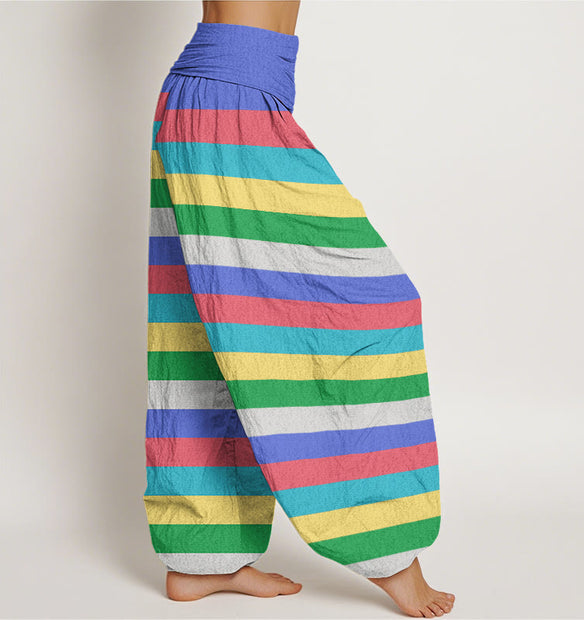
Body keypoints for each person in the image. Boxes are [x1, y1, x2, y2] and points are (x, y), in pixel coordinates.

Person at [143, 1, 456, 617]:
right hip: (228, 100)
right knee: (371, 307)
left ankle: (202, 557)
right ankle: (387, 548)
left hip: (227, 97)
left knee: (213, 332)